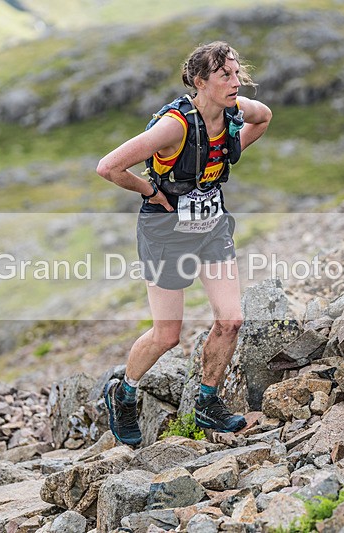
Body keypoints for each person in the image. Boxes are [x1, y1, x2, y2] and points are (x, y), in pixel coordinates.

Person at [96, 41, 272, 446]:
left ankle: (207, 402)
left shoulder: (234, 111)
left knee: (231, 320)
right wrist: (150, 191)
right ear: (199, 81)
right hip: (166, 230)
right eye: (224, 75)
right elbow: (108, 166)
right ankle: (123, 393)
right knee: (167, 335)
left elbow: (263, 118)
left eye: (236, 73)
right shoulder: (173, 126)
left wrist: (229, 149)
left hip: (211, 224)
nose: (235, 81)